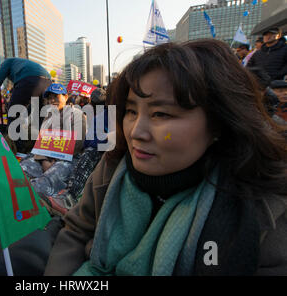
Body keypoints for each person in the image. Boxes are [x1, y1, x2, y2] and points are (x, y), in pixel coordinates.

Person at [45, 39, 287, 276]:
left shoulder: (262, 212)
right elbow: (77, 231)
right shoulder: (112, 166)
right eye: (130, 111)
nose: (136, 132)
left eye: (161, 114)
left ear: (218, 123)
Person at [20, 83, 87, 198]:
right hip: (43, 157)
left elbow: (77, 144)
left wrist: (53, 158)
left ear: (65, 97)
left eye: (56, 97)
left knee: (42, 185)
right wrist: (44, 160)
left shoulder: (77, 115)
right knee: (20, 170)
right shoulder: (49, 115)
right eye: (50, 98)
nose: (52, 101)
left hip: (68, 160)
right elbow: (42, 140)